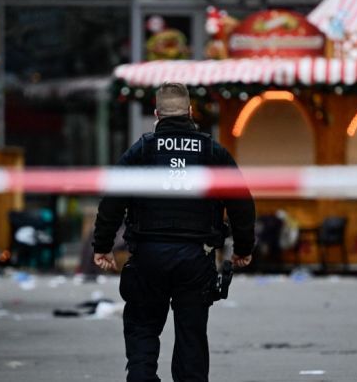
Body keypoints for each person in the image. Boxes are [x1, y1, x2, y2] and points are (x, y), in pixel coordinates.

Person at [92, 82, 256, 382]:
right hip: (195, 258)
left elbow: (112, 199)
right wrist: (243, 249)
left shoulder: (141, 150)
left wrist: (101, 246)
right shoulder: (211, 152)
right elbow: (242, 203)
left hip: (147, 256)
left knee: (142, 329)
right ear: (191, 112)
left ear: (157, 115)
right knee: (191, 337)